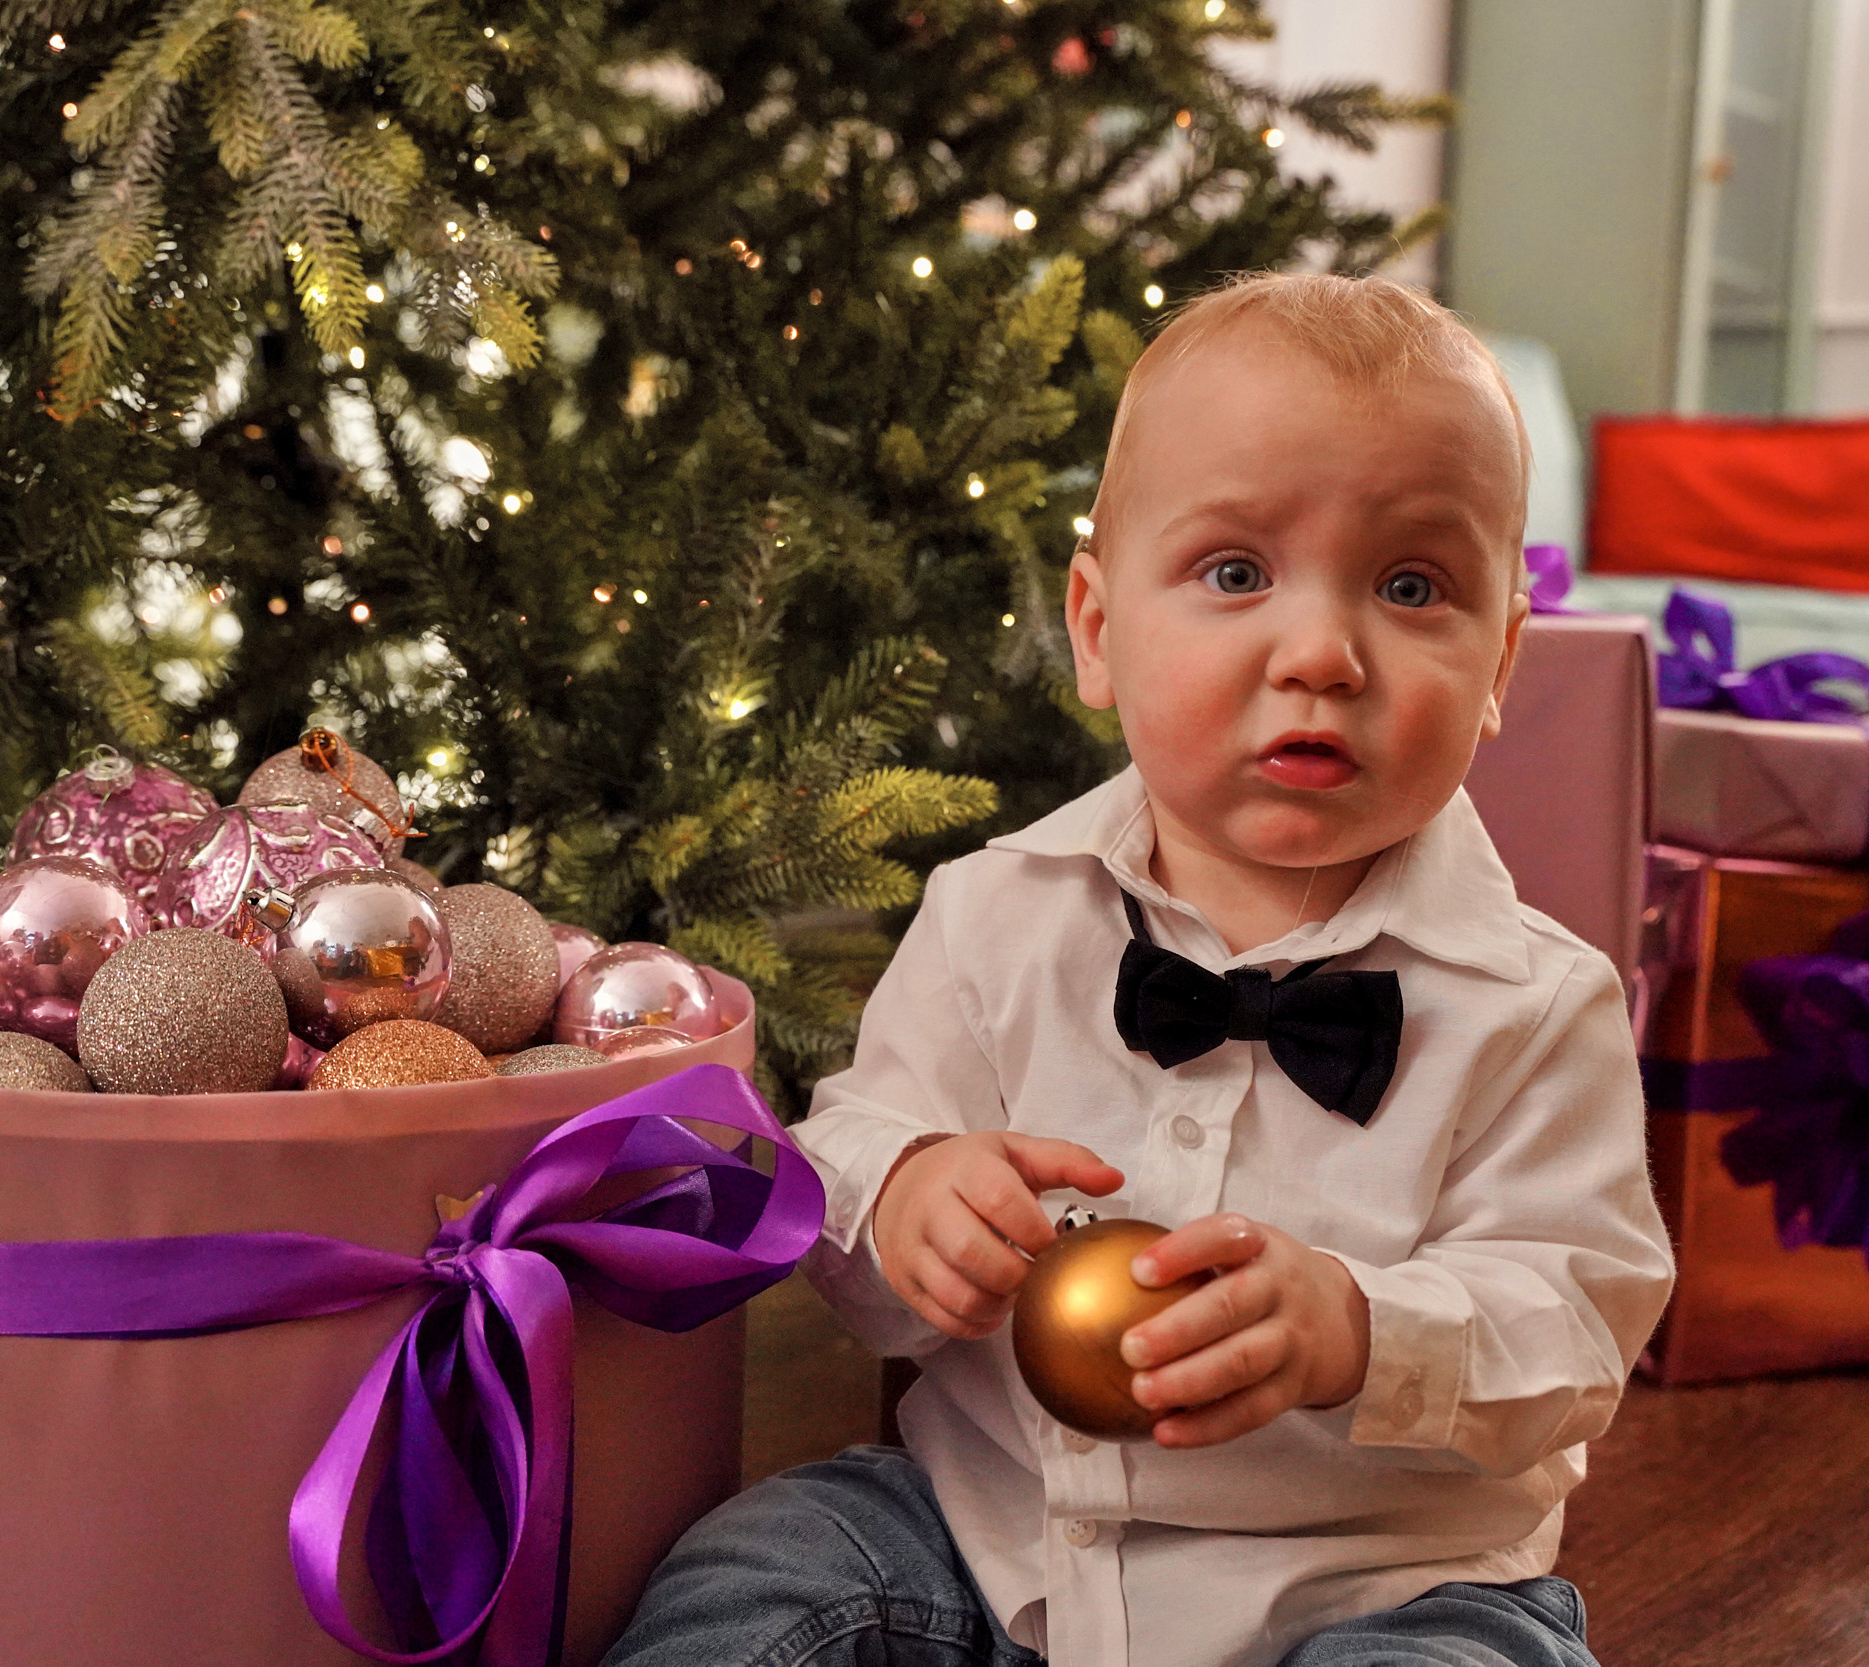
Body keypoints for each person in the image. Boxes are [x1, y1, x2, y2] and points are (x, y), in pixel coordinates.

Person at [604, 272, 1676, 1667]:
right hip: (992, 1537)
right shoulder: (994, 916)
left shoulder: (1538, 1005)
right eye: (1236, 574)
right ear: (1100, 630)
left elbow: (1579, 1326)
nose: (1321, 654)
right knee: (755, 1582)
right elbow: (848, 1153)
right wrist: (910, 1195)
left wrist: (1363, 1328)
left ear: (1499, 666)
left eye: (1413, 588)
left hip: (1381, 1584)